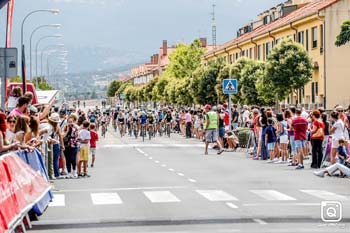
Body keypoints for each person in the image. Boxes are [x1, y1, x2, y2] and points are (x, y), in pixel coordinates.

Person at [48, 113, 65, 179]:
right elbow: (60, 136)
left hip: (50, 144)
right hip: (56, 144)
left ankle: (52, 173)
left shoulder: (48, 126)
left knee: (51, 160)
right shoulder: (57, 126)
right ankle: (56, 173)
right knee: (55, 160)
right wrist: (62, 145)